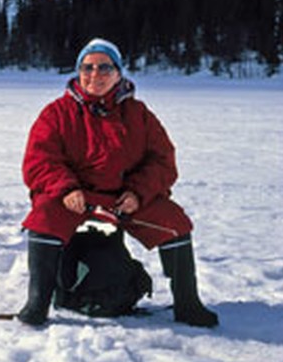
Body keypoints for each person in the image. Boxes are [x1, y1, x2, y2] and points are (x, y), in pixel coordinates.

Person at [17, 38, 218, 328]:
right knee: (43, 217)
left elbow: (163, 162)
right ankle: (37, 302)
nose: (95, 74)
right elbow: (39, 162)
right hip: (75, 197)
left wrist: (138, 193)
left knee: (175, 223)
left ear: (118, 73)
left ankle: (188, 304)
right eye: (87, 67)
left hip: (125, 198)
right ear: (78, 71)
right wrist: (67, 189)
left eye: (104, 67)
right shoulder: (56, 113)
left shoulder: (139, 115)